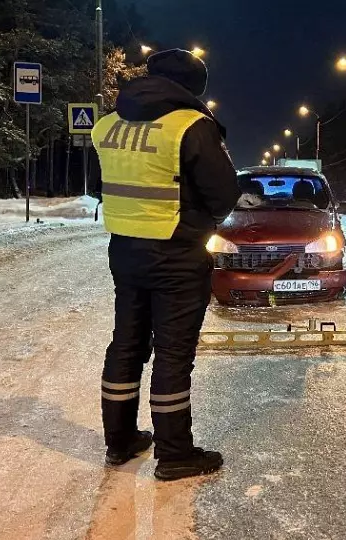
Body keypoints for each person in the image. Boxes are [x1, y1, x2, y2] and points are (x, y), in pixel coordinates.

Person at [91, 48, 241, 480]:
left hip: (125, 251)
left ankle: (119, 443)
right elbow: (223, 194)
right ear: (192, 87)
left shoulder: (107, 124)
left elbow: (96, 183)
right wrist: (198, 220)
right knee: (173, 353)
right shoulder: (191, 126)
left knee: (127, 344)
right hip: (176, 254)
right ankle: (175, 454)